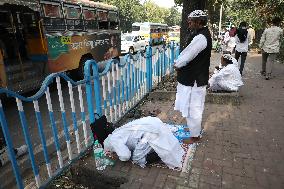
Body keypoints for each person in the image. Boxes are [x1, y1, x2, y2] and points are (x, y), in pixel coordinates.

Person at [173, 10, 212, 144]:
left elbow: (187, 55)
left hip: (195, 79)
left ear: (199, 22)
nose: (188, 23)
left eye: (191, 21)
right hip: (195, 78)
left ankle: (195, 137)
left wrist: (177, 64)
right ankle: (194, 132)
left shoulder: (201, 37)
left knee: (193, 108)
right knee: (193, 107)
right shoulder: (199, 35)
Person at [103, 116, 184, 169]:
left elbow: (125, 156)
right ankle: (160, 146)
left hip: (149, 134)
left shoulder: (114, 140)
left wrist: (118, 156)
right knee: (160, 140)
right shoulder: (116, 132)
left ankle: (160, 155)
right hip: (152, 122)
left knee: (137, 159)